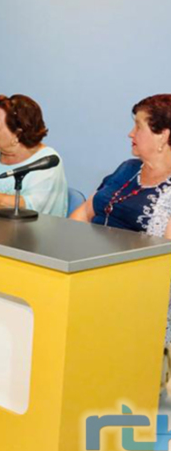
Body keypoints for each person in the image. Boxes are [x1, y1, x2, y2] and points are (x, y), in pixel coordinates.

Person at [70, 94, 171, 385]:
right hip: (89, 267)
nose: (130, 133)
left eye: (138, 126)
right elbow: (85, 212)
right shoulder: (127, 169)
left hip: (132, 285)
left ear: (163, 135)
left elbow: (163, 261)